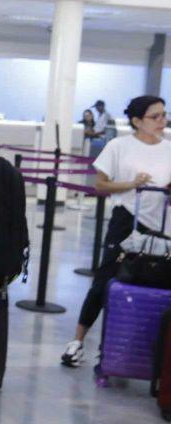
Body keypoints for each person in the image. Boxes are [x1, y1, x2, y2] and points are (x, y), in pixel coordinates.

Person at [61, 96, 171, 367]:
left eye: (164, 115)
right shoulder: (119, 146)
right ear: (136, 121)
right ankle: (77, 341)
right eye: (155, 117)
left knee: (153, 283)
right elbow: (101, 184)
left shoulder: (169, 149)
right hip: (126, 220)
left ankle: (135, 352)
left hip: (161, 225)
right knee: (105, 279)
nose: (162, 121)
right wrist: (132, 183)